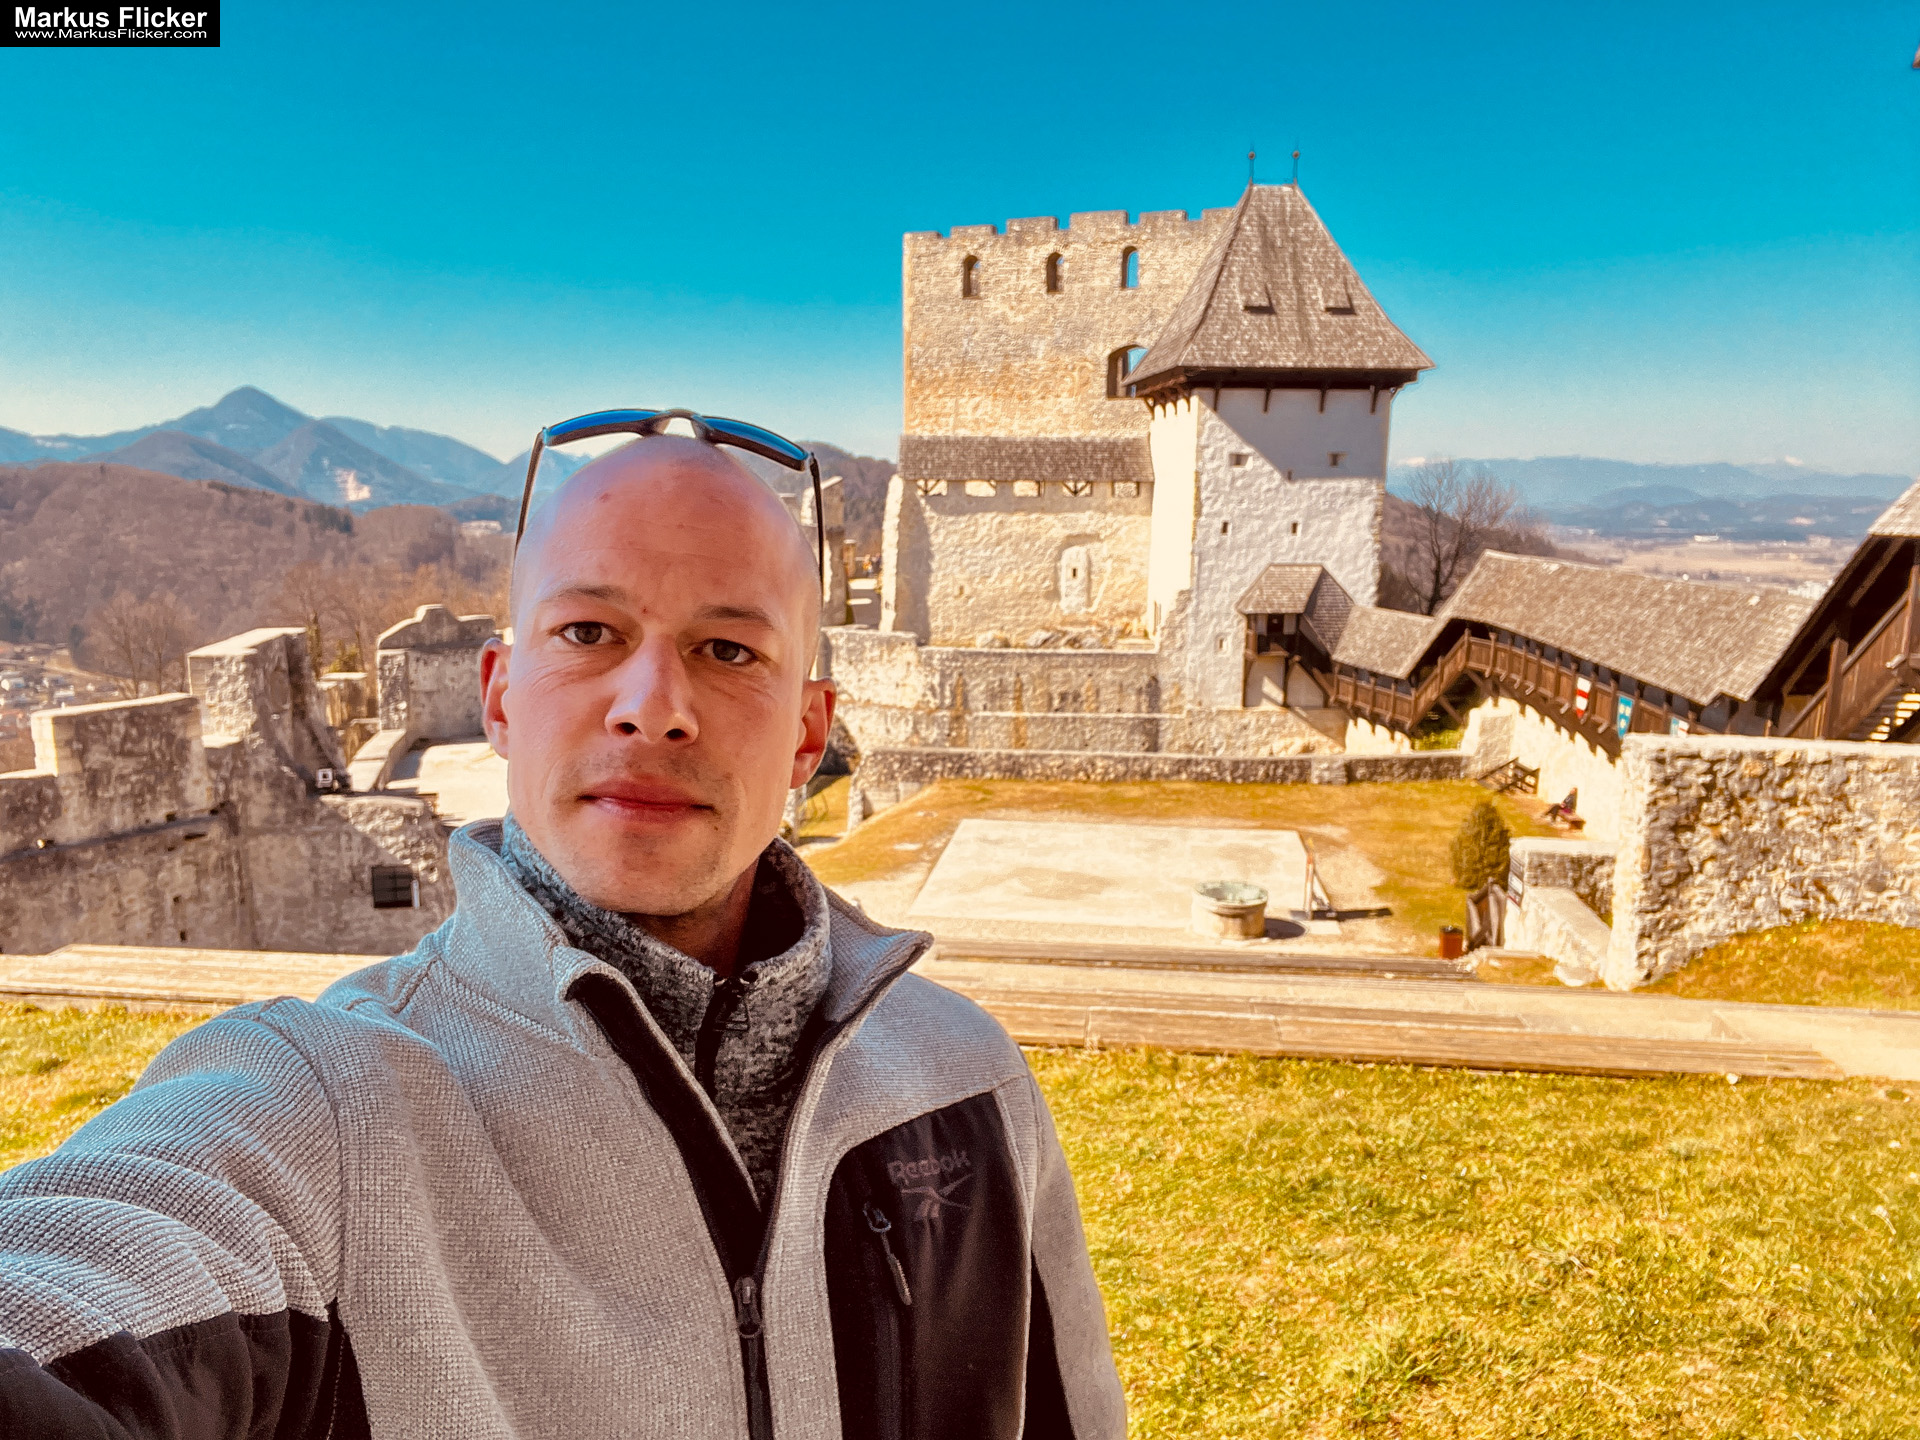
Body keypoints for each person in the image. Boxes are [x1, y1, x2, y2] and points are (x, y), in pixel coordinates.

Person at [0, 422, 1125, 1438]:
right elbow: (84, 1277)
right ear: (499, 695)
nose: (653, 706)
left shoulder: (967, 1082)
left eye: (729, 650)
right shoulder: (325, 1114)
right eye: (589, 632)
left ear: (807, 734)